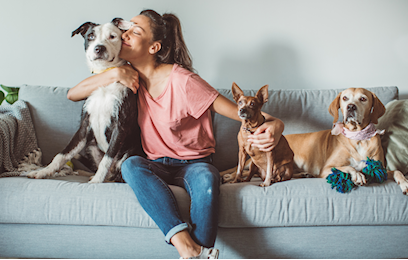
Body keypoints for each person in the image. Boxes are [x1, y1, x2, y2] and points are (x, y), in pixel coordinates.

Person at [67, 9, 284, 259]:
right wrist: (114, 73)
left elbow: (242, 113)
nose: (124, 34)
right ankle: (188, 248)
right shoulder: (126, 76)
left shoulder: (183, 81)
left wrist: (277, 125)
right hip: (154, 164)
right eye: (125, 30)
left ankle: (195, 252)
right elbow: (73, 94)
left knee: (207, 181)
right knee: (131, 166)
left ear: (153, 47)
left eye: (135, 31)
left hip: (194, 164)